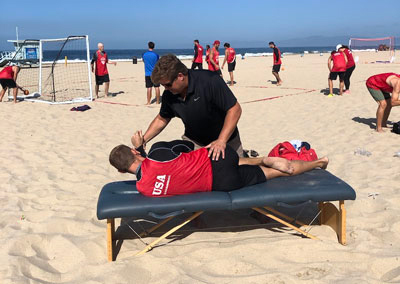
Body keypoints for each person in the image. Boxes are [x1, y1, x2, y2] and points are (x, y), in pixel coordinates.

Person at [109, 132, 329, 197]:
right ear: (133, 151)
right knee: (217, 155)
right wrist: (144, 147)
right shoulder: (158, 152)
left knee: (279, 173)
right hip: (219, 159)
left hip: (223, 183)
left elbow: (151, 173)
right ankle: (318, 161)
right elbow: (184, 146)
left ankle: (314, 163)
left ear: (121, 171)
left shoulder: (143, 189)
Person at [138, 54, 244, 161]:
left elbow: (235, 109)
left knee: (239, 172)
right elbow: (162, 118)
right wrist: (143, 140)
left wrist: (221, 140)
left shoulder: (210, 80)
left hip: (227, 140)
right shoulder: (169, 94)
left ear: (180, 76)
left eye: (168, 84)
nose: (165, 88)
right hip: (195, 142)